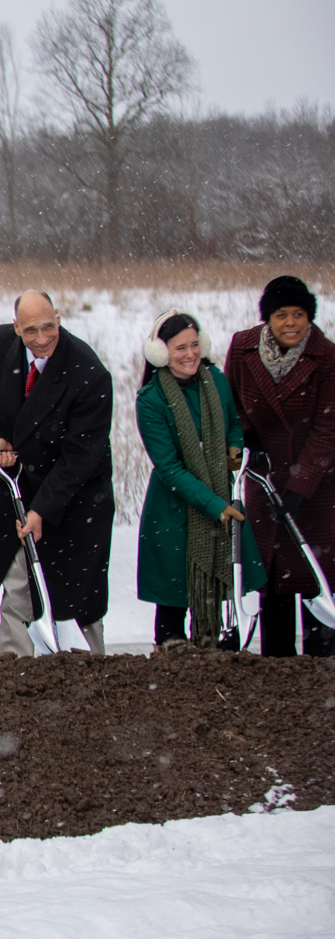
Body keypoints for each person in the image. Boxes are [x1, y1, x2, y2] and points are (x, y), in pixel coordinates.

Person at [0, 290, 115, 655]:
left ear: (59, 318)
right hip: (17, 487)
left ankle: (88, 670)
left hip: (75, 496)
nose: (42, 338)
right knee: (18, 582)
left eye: (49, 327)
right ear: (16, 327)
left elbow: (80, 457)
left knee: (76, 594)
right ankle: (14, 670)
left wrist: (42, 510)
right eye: (31, 330)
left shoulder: (88, 373)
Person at [138, 310, 264, 646]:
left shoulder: (216, 381)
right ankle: (173, 659)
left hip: (219, 495)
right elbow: (169, 469)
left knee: (217, 588)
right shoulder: (151, 400)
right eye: (180, 348)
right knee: (174, 595)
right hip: (173, 511)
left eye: (195, 345)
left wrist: (234, 445)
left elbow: (233, 422)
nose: (190, 354)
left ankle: (212, 652)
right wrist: (216, 506)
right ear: (161, 352)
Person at [224, 276, 335, 657]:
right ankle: (277, 670)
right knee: (273, 581)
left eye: (299, 314)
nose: (291, 323)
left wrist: (300, 486)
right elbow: (231, 404)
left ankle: (320, 671)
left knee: (316, 580)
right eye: (281, 314)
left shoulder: (326, 356)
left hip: (317, 490)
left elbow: (328, 427)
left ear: (310, 316)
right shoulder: (243, 348)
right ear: (268, 318)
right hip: (263, 481)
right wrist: (247, 438)